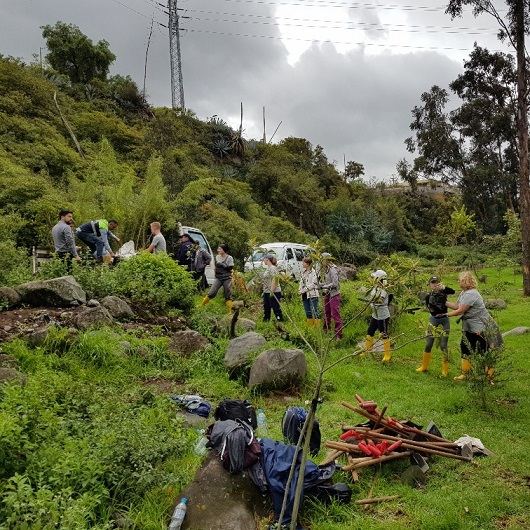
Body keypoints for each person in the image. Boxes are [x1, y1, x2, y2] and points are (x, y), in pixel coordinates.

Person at [439, 271, 493, 381]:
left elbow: (460, 311)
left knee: (483, 350)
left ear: (465, 281)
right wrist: (443, 301)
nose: (458, 281)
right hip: (468, 326)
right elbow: (456, 306)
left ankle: (489, 377)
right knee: (465, 348)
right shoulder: (464, 292)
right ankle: (465, 374)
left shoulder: (471, 294)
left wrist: (445, 314)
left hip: (479, 326)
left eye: (459, 279)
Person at [416, 276, 455, 376]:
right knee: (429, 344)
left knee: (443, 345)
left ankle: (445, 370)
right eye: (432, 283)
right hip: (433, 320)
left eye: (436, 282)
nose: (435, 284)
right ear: (429, 284)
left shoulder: (444, 293)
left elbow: (453, 291)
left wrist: (443, 288)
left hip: (444, 320)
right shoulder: (428, 296)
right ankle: (424, 366)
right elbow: (429, 307)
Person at [365, 269, 392, 361]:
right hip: (375, 314)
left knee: (383, 334)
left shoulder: (384, 289)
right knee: (370, 331)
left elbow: (380, 300)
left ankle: (387, 355)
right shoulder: (375, 287)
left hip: (382, 315)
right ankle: (368, 351)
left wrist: (372, 301)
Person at [200, 244, 234, 313]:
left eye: (220, 249)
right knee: (212, 292)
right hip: (218, 277)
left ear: (224, 250)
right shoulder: (217, 257)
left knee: (227, 293)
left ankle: (229, 311)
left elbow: (230, 268)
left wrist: (223, 265)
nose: (218, 250)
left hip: (227, 278)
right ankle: (201, 305)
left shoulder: (229, 258)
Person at [319, 253, 342, 340]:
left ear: (326, 260)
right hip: (328, 293)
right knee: (326, 312)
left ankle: (338, 335)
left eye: (322, 260)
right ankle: (326, 331)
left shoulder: (333, 269)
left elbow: (335, 284)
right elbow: (328, 282)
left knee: (335, 314)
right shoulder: (327, 269)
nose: (321, 262)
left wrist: (324, 286)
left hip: (334, 294)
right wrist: (320, 284)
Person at [298, 257, 320, 326]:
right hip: (304, 294)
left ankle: (317, 327)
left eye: (304, 262)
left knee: (314, 311)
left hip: (312, 294)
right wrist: (300, 290)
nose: (302, 264)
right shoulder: (303, 273)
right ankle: (310, 326)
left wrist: (303, 290)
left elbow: (313, 284)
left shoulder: (314, 272)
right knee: (308, 311)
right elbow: (301, 283)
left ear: (308, 264)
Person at [262, 254, 283, 322]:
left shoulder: (273, 268)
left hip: (273, 291)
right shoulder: (268, 268)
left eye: (264, 258)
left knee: (275, 307)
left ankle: (280, 320)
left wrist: (272, 290)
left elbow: (275, 279)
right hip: (266, 291)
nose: (263, 260)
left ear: (267, 259)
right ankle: (266, 320)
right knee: (266, 307)